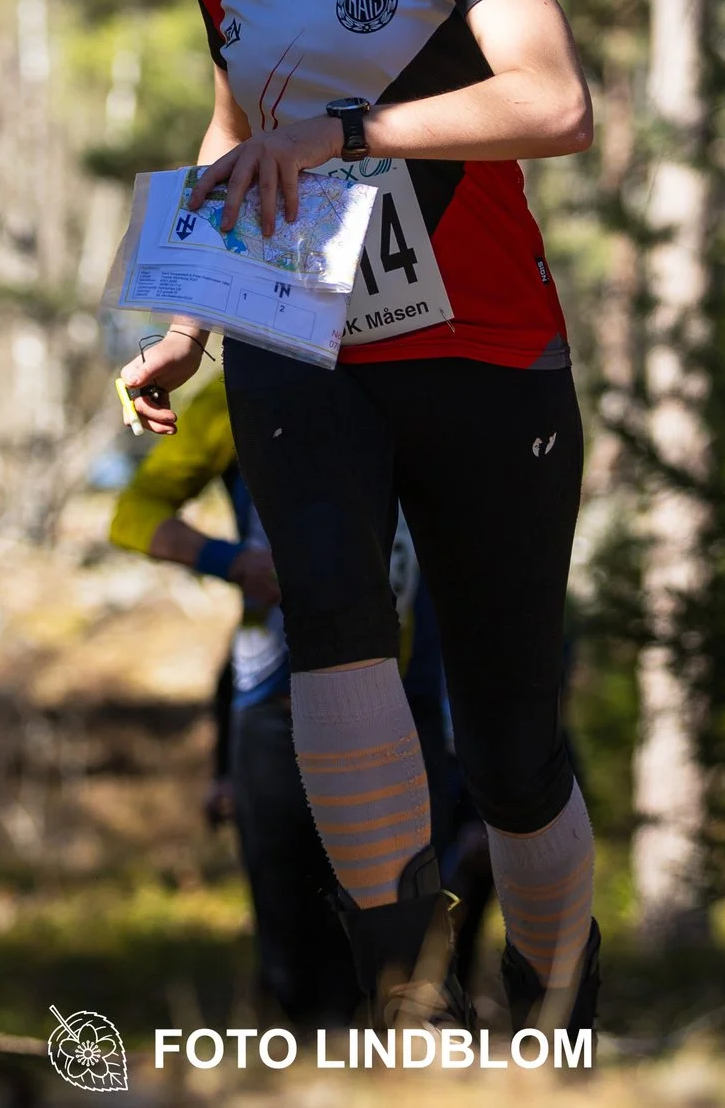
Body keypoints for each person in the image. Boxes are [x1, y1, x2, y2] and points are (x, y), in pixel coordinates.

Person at [118, 0, 599, 1041]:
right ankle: (407, 998)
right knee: (328, 608)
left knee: (510, 748)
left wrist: (353, 129)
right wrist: (187, 312)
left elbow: (555, 102)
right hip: (300, 333)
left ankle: (557, 1007)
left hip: (485, 349)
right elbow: (234, 130)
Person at [106, 374, 485, 1026]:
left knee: (401, 954)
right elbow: (133, 515)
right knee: (294, 956)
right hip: (275, 704)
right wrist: (235, 561)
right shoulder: (238, 393)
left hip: (402, 705)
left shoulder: (419, 377)